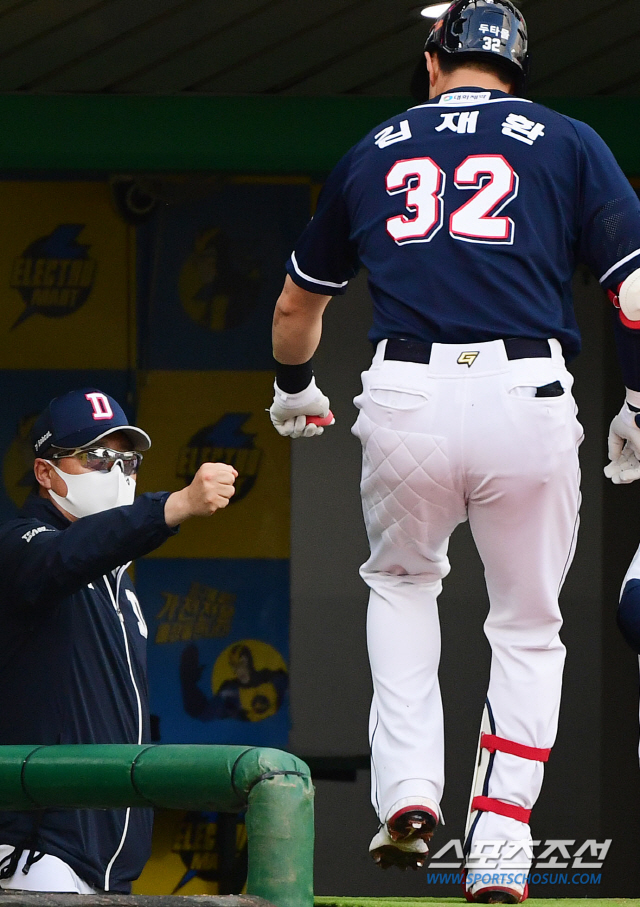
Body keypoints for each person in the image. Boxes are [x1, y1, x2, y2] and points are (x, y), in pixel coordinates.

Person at [268, 0, 640, 901]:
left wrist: (294, 389)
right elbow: (636, 295)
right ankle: (504, 838)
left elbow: (293, 308)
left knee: (401, 585)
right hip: (528, 392)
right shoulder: (570, 139)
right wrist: (637, 399)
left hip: (408, 393)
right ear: (515, 68)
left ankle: (408, 793)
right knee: (526, 621)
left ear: (435, 61)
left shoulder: (376, 145)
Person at [0, 387, 237, 895]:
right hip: (37, 852)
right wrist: (173, 506)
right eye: (97, 456)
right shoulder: (20, 546)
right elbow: (66, 557)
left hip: (110, 865)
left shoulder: (118, 581)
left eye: (128, 460)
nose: (118, 472)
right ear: (46, 473)